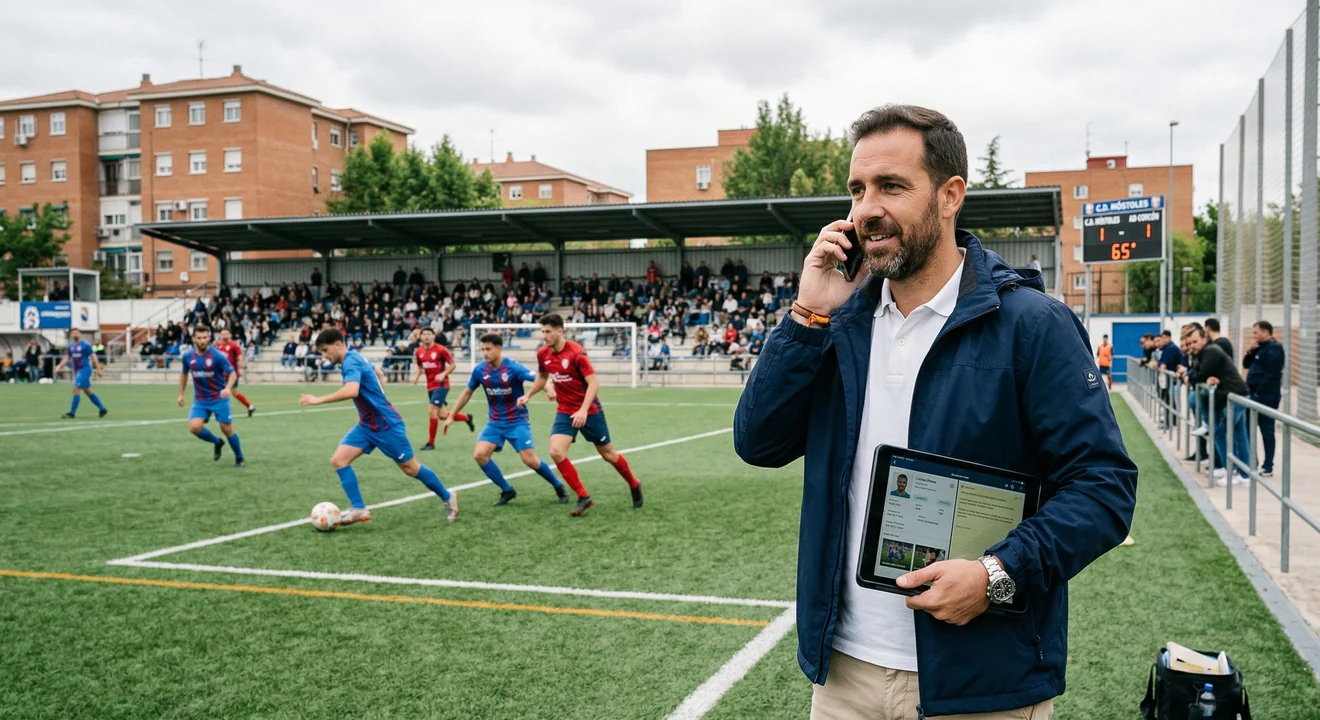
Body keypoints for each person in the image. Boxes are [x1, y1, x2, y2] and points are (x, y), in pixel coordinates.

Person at [733, 104, 1137, 719]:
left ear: (950, 197)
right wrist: (808, 314)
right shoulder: (837, 323)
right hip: (844, 673)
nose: (867, 208)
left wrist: (996, 574)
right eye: (857, 189)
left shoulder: (1032, 325)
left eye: (891, 186)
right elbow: (758, 443)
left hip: (981, 680)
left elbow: (1103, 490)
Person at [299, 328, 458, 525]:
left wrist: (318, 399)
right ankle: (359, 509)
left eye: (325, 350)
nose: (324, 355)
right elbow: (377, 371)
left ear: (338, 345)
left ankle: (448, 496)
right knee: (339, 460)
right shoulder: (354, 357)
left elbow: (352, 389)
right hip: (367, 425)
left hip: (386, 425)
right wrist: (379, 385)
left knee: (411, 468)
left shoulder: (350, 361)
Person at [522, 313, 643, 516]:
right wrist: (528, 395)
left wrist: (583, 410)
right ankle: (583, 496)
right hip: (565, 411)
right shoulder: (543, 354)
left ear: (561, 330)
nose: (544, 336)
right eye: (542, 332)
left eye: (548, 331)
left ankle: (633, 483)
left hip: (590, 411)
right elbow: (543, 377)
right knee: (556, 451)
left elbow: (594, 383)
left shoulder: (576, 353)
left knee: (608, 455)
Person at [445, 333, 568, 506]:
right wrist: (451, 415)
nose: (485, 353)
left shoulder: (513, 368)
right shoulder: (480, 370)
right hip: (494, 422)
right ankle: (507, 490)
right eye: (483, 350)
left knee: (529, 460)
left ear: (499, 348)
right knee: (480, 455)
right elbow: (467, 393)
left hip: (517, 420)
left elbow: (539, 378)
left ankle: (558, 486)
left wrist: (549, 389)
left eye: (488, 349)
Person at [1180, 323, 1250, 485]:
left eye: (1195, 342)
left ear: (1205, 338)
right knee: (1237, 435)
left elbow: (1199, 374)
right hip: (1232, 396)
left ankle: (1235, 472)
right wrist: (1197, 376)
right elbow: (1198, 372)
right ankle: (1241, 473)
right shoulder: (1204, 353)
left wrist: (1193, 377)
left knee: (1222, 433)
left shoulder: (1211, 351)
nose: (1192, 346)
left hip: (1236, 396)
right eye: (1189, 343)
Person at [178, 326, 245, 467]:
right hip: (200, 400)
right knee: (194, 427)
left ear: (209, 338)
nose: (202, 341)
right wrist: (181, 394)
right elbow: (184, 374)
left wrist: (227, 388)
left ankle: (239, 458)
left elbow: (232, 374)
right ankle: (217, 442)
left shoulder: (218, 356)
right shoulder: (188, 357)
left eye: (205, 337)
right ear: (194, 339)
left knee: (226, 429)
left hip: (219, 398)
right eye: (199, 338)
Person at [412, 327, 474, 451]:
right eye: (424, 334)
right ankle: (467, 417)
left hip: (441, 385)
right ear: (420, 337)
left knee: (431, 411)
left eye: (429, 334)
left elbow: (453, 365)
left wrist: (443, 374)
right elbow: (420, 365)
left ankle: (431, 443)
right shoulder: (419, 351)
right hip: (430, 386)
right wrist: (417, 375)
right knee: (442, 415)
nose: (426, 336)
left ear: (433, 336)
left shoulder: (441, 350)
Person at [1243, 320, 1284, 477]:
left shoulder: (1274, 348)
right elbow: (1246, 364)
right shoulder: (1259, 347)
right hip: (1252, 396)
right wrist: (1249, 351)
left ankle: (1268, 465)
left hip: (1266, 397)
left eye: (1256, 332)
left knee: (1266, 430)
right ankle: (1252, 461)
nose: (1254, 336)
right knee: (1247, 427)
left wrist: (1258, 394)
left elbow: (1272, 374)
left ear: (1266, 332)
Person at [54, 329, 108, 419]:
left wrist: (98, 369)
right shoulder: (71, 346)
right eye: (73, 333)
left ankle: (72, 413)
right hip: (77, 371)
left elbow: (93, 356)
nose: (75, 334)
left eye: (77, 333)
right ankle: (102, 409)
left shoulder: (85, 345)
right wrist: (59, 366)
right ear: (71, 335)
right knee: (88, 392)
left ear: (80, 334)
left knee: (76, 387)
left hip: (85, 370)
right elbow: (67, 358)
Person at [216, 329, 256, 417]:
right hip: (221, 372)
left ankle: (249, 406)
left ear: (229, 334)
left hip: (231, 373)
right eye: (222, 334)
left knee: (233, 392)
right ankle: (224, 411)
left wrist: (239, 369)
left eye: (226, 334)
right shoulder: (219, 344)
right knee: (219, 391)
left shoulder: (234, 345)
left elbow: (239, 357)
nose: (224, 336)